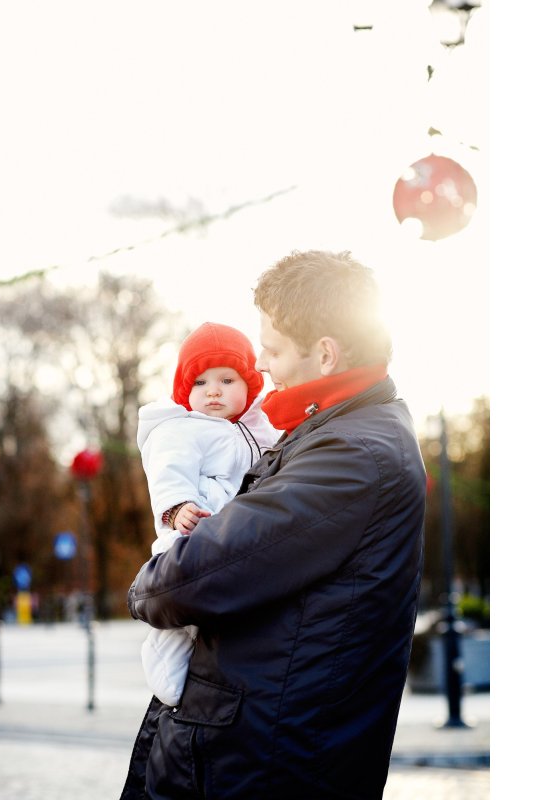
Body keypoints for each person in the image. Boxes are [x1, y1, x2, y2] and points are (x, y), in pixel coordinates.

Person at [121, 250, 426, 800]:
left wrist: (145, 586)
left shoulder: (351, 454)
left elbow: (193, 578)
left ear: (325, 354)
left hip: (263, 763)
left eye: (274, 349)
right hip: (260, 750)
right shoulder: (334, 433)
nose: (261, 365)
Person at [136, 321, 281, 708]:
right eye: (200, 382)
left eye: (227, 380)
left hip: (237, 533)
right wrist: (177, 507)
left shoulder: (261, 428)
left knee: (221, 610)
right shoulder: (180, 429)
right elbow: (168, 471)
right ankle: (164, 648)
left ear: (249, 383)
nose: (213, 391)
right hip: (193, 527)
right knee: (186, 600)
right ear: (185, 389)